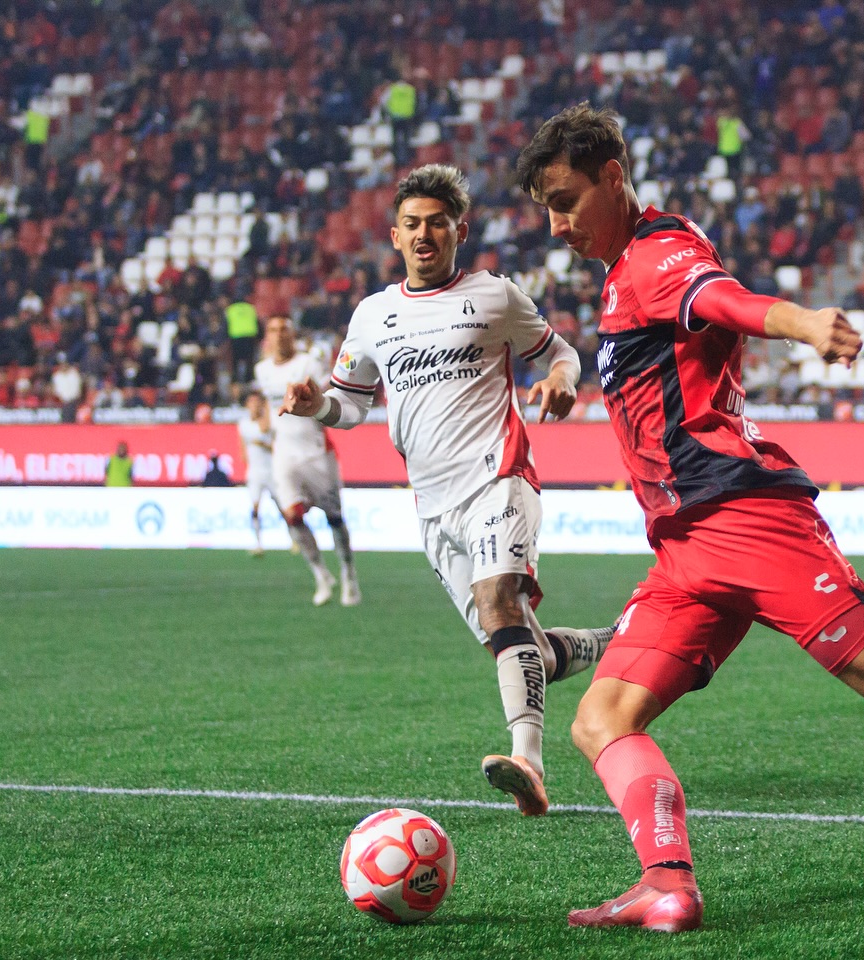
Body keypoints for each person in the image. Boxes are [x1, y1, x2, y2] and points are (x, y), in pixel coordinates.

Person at [517, 103, 864, 933]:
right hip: (683, 548)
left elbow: (726, 300)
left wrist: (805, 323)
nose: (558, 223)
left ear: (613, 176)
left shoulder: (656, 254)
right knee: (601, 721)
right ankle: (666, 885)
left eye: (566, 199)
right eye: (546, 210)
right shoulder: (623, 274)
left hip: (740, 518)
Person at [281, 164, 614, 815]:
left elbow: (560, 352)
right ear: (395, 235)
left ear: (460, 230)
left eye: (438, 223)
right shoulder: (372, 316)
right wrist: (315, 405)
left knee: (499, 604)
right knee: (523, 651)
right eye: (413, 224)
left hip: (499, 479)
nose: (425, 234)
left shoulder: (495, 296)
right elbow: (350, 408)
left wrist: (565, 381)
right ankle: (614, 641)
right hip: (432, 510)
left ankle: (529, 761)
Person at [253, 315, 361, 607]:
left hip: (315, 450)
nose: (279, 335)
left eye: (284, 330)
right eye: (273, 330)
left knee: (334, 519)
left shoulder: (308, 364)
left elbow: (326, 395)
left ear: (293, 335)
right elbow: (268, 401)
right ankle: (321, 575)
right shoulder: (261, 370)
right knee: (293, 516)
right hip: (284, 453)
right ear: (268, 336)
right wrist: (265, 418)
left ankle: (348, 575)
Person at [236, 389, 286, 556]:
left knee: (283, 507)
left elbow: (270, 440)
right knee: (255, 507)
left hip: (271, 471)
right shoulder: (243, 424)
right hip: (255, 473)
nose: (254, 406)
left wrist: (262, 444)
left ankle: (294, 539)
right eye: (251, 403)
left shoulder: (267, 423)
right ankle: (258, 543)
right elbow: (243, 447)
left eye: (257, 403)